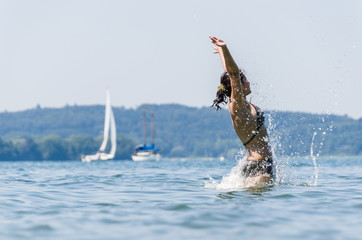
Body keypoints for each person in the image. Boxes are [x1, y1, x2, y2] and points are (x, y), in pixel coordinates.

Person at [209, 36, 273, 186]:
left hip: (255, 164)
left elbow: (231, 73)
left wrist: (221, 52)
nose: (249, 82)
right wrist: (225, 48)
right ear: (238, 84)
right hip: (259, 167)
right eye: (245, 80)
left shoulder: (239, 104)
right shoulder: (237, 105)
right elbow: (233, 74)